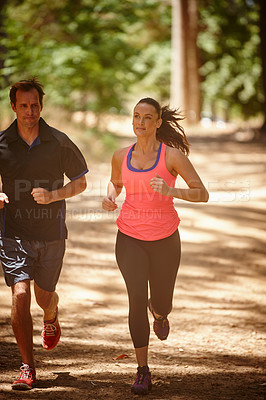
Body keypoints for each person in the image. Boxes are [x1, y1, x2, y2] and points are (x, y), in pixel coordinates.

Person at [102, 97, 209, 395]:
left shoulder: (172, 157)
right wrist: (110, 197)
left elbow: (203, 194)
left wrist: (172, 189)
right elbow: (116, 183)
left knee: (160, 301)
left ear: (158, 122)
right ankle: (142, 370)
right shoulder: (120, 155)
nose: (140, 122)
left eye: (148, 117)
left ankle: (160, 314)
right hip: (129, 238)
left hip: (165, 240)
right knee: (136, 298)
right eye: (136, 116)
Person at [0, 78, 88, 390]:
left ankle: (51, 315)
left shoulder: (59, 142)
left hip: (51, 233)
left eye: (34, 105)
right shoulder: (2, 143)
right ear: (13, 106)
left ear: (42, 105)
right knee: (20, 295)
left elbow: (81, 182)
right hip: (13, 233)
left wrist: (53, 196)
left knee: (43, 295)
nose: (30, 111)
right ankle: (27, 367)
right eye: (23, 105)